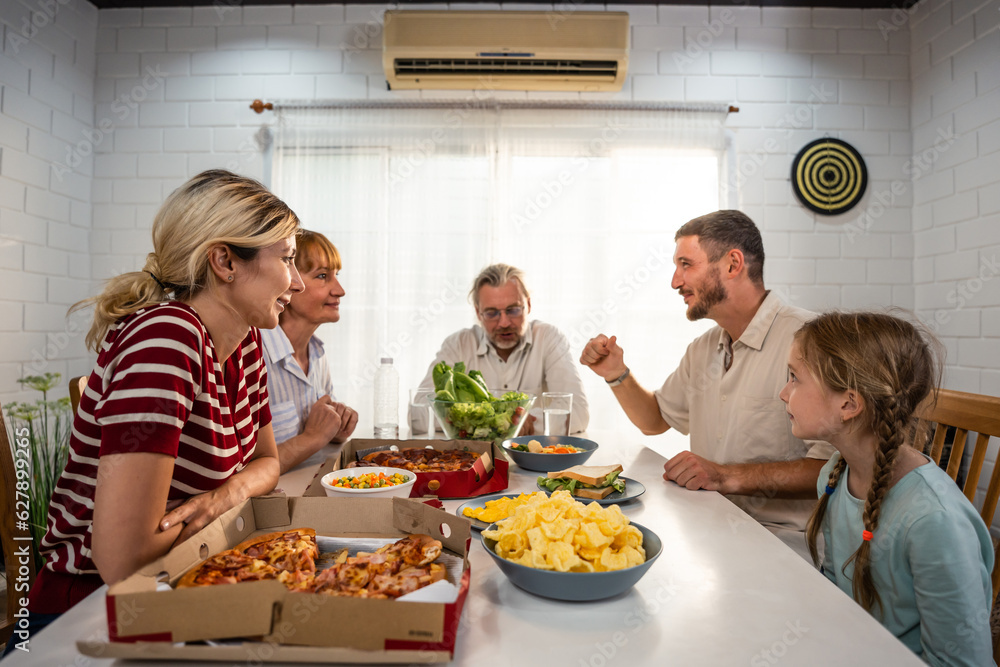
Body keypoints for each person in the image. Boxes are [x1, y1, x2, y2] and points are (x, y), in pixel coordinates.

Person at [21, 170, 300, 626]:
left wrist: (226, 494)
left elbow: (268, 464)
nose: (298, 282)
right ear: (224, 262)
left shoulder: (245, 338)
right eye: (287, 260)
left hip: (182, 575)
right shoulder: (167, 339)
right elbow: (122, 560)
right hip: (89, 607)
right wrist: (226, 499)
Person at [579, 210, 833, 557]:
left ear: (732, 264)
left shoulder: (809, 340)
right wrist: (615, 373)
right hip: (710, 532)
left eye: (686, 264)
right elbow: (655, 421)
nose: (674, 281)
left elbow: (830, 469)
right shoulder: (703, 349)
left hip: (784, 544)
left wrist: (725, 476)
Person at [782, 311, 993, 665]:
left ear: (849, 404)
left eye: (794, 378)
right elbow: (839, 592)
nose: (783, 392)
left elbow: (963, 661)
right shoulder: (834, 475)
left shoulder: (934, 521)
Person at [411, 263, 589, 436]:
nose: (504, 323)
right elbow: (417, 417)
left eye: (513, 310)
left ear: (528, 305)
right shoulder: (458, 344)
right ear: (478, 313)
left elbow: (578, 414)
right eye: (491, 313)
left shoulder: (549, 339)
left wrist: (525, 417)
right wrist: (504, 419)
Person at [260, 230, 358, 473]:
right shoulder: (253, 355)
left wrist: (336, 429)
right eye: (323, 276)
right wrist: (313, 437)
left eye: (336, 276)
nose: (339, 290)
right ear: (290, 282)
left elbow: (318, 436)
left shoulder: (318, 353)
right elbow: (242, 469)